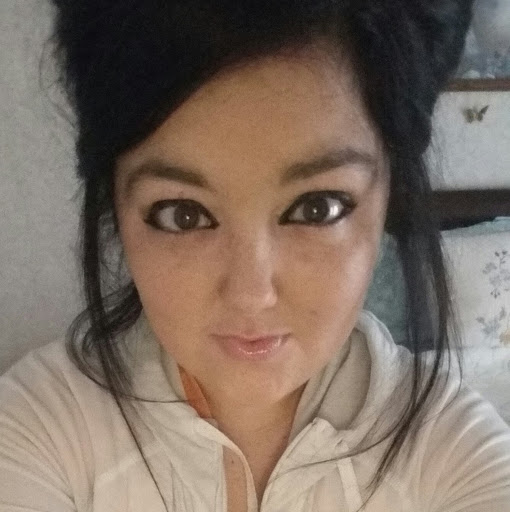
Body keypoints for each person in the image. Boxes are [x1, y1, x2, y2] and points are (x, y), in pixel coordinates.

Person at [1, 0, 510, 510]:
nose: (251, 294)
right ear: (115, 205)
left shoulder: (457, 457)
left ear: (389, 197)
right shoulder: (42, 429)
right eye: (183, 214)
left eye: (317, 208)